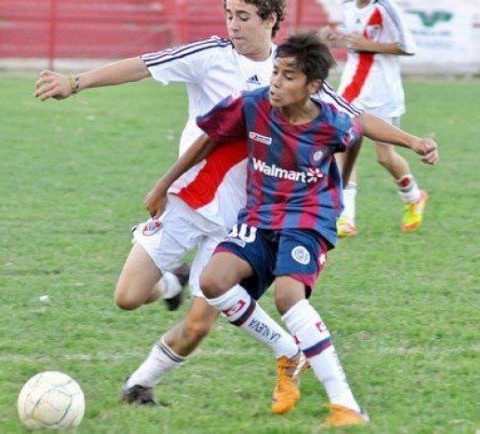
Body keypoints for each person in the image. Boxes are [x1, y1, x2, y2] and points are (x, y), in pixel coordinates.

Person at [34, 0, 362, 415]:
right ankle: (172, 282)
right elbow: (142, 65)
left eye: (243, 16)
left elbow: (351, 119)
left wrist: (410, 141)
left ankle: (140, 385)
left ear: (270, 19)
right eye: (228, 14)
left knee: (198, 324)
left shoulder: (289, 73)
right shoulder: (210, 56)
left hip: (241, 218)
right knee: (128, 296)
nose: (233, 25)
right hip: (189, 201)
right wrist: (76, 83)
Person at [146, 31, 438, 427]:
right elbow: (208, 140)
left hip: (307, 217)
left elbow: (357, 130)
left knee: (288, 296)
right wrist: (164, 184)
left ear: (313, 87)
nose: (276, 83)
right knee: (214, 281)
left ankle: (347, 405)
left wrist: (410, 143)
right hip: (260, 215)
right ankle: (288, 351)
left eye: (287, 77)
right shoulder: (253, 105)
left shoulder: (331, 122)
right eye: (275, 73)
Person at [321, 0, 427, 237]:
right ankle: (346, 217)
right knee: (342, 148)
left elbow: (408, 47)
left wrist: (370, 46)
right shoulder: (346, 4)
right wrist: (334, 39)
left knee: (385, 156)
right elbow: (353, 41)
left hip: (382, 90)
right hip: (352, 89)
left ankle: (413, 197)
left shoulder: (385, 6)